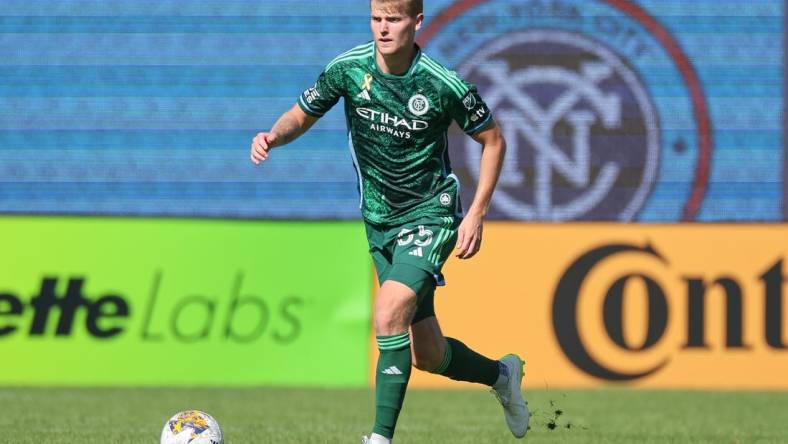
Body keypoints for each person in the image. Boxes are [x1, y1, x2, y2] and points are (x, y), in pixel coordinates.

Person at [250, 0, 528, 441]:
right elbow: (301, 113)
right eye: (377, 19)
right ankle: (502, 376)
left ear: (416, 22)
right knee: (429, 354)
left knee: (387, 313)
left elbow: (493, 140)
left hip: (429, 214)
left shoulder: (442, 83)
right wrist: (273, 135)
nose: (383, 28)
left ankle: (379, 438)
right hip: (379, 221)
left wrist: (476, 212)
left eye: (394, 20)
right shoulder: (349, 68)